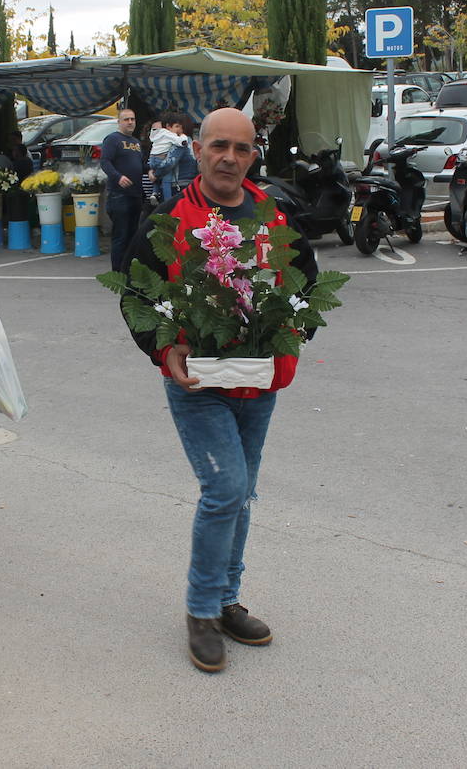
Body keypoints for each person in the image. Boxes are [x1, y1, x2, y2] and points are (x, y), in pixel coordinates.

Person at [117, 107, 319, 673]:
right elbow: (133, 297)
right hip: (198, 381)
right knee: (225, 488)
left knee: (243, 491)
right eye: (218, 146)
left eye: (241, 148)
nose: (229, 157)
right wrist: (164, 349)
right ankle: (201, 611)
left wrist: (292, 329)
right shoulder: (169, 218)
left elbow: (305, 282)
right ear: (199, 151)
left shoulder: (274, 214)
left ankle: (227, 600)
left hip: (258, 380)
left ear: (254, 155)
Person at [99, 107, 143, 271]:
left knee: (133, 236)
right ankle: (117, 271)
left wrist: (151, 169)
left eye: (132, 119)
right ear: (119, 122)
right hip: (119, 196)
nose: (130, 122)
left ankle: (129, 269)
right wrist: (118, 177)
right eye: (126, 119)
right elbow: (105, 162)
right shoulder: (113, 139)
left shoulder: (137, 143)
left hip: (135, 195)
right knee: (121, 236)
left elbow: (140, 165)